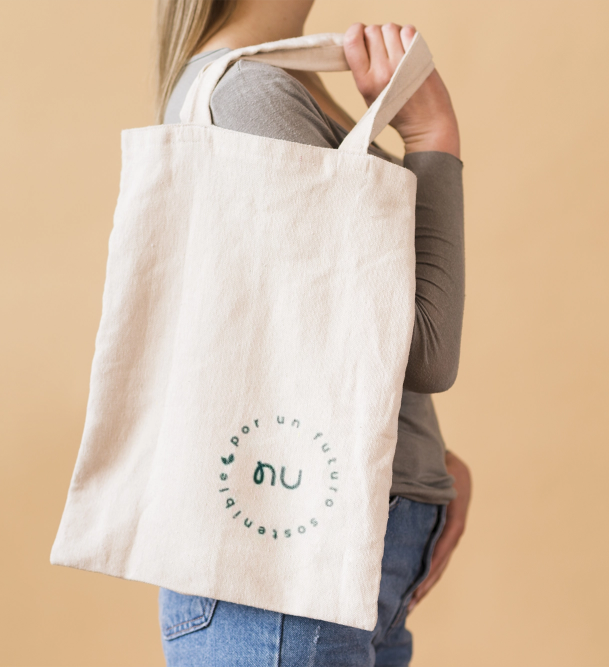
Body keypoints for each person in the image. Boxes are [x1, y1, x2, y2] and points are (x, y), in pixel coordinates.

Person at [153, 1, 471, 665]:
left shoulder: (282, 84)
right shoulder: (249, 96)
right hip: (289, 551)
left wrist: (419, 456)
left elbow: (323, 331)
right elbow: (421, 352)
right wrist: (433, 139)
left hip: (319, 546)